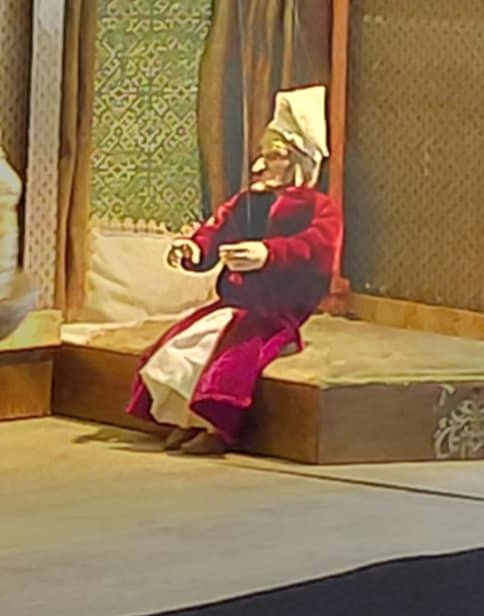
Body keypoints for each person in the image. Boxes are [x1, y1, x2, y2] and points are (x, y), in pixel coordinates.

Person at [128, 87, 342, 455]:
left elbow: (317, 247)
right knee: (181, 347)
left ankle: (216, 428)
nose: (260, 166)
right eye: (262, 155)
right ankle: (186, 419)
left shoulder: (319, 207)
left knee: (229, 360)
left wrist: (268, 253)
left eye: (273, 156)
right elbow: (217, 228)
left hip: (275, 310)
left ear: (298, 161)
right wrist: (195, 247)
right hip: (235, 303)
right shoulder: (248, 201)